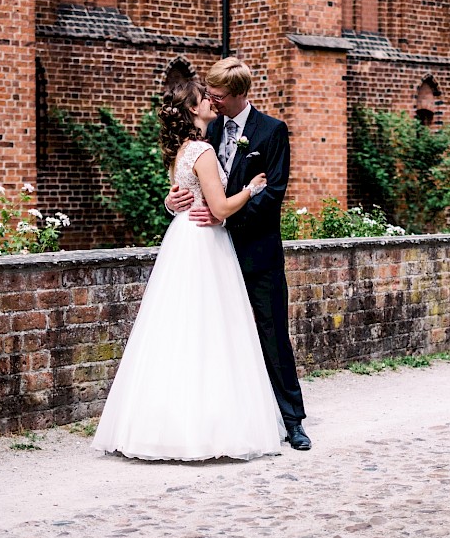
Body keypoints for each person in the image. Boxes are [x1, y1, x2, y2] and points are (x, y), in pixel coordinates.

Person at [92, 80, 286, 461]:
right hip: (204, 241)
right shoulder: (202, 150)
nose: (211, 101)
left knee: (176, 328)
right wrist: (250, 188)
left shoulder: (180, 150)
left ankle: (161, 425)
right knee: (211, 330)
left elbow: (183, 196)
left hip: (182, 238)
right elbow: (220, 207)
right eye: (204, 98)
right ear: (194, 110)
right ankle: (208, 427)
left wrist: (173, 202)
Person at [165, 57, 311, 451]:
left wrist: (224, 216)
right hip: (210, 255)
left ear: (240, 94)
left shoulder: (271, 132)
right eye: (209, 94)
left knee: (271, 334)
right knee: (219, 337)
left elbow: (273, 194)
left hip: (255, 251)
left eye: (219, 95)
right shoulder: (204, 133)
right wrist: (173, 200)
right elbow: (188, 181)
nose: (212, 100)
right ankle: (233, 420)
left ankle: (291, 420)